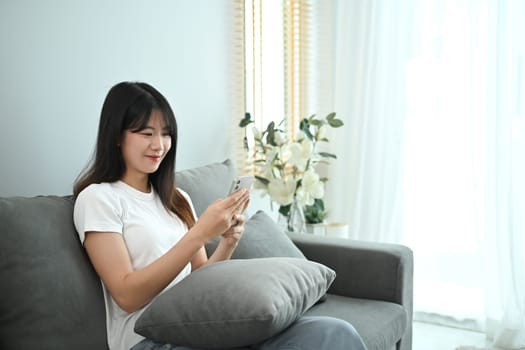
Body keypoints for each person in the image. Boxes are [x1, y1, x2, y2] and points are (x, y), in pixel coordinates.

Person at [73, 81, 368, 350]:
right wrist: (199, 233)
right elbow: (127, 295)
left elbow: (199, 279)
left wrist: (227, 242)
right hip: (149, 340)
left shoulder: (177, 199)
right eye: (146, 133)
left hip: (200, 327)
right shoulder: (99, 199)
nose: (159, 145)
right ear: (116, 136)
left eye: (166, 134)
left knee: (332, 334)